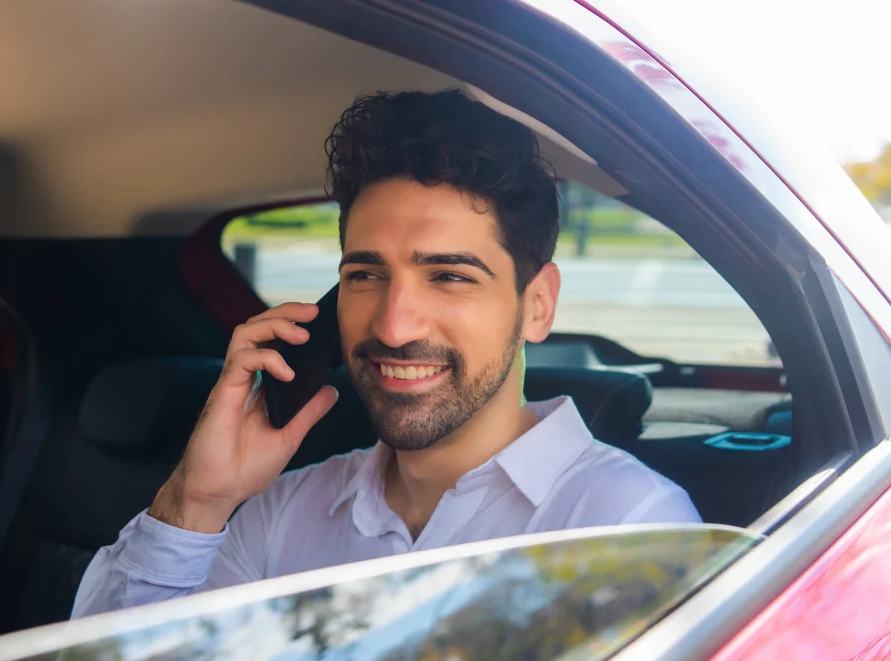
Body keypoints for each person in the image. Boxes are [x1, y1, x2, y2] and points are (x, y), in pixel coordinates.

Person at [72, 90, 700, 618]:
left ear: (537, 305)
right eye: (366, 276)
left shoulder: (631, 527)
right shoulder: (281, 513)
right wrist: (197, 502)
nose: (394, 327)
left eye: (450, 276)